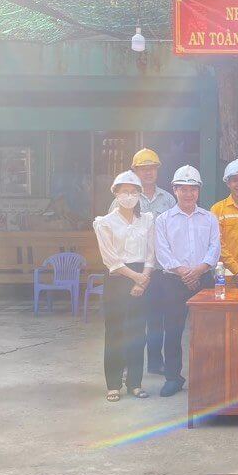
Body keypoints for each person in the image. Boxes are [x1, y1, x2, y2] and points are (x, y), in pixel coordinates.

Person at [152, 165, 220, 397]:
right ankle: (173, 378)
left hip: (204, 279)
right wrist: (184, 272)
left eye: (193, 189)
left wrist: (198, 271)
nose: (189, 193)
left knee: (208, 331)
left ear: (199, 191)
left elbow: (214, 248)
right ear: (175, 189)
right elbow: (162, 252)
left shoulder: (209, 218)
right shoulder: (163, 220)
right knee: (172, 331)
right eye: (183, 189)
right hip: (173, 282)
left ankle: (207, 375)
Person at [108, 148, 177, 376]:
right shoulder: (121, 199)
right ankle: (128, 363)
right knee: (130, 320)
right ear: (134, 171)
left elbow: (173, 234)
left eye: (152, 168)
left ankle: (155, 362)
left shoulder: (168, 199)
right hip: (131, 270)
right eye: (143, 169)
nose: (148, 172)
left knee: (157, 319)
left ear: (157, 170)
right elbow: (112, 235)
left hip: (158, 269)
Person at [93, 171, 155, 402]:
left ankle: (135, 383)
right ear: (116, 194)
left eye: (133, 191)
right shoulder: (105, 223)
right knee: (115, 332)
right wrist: (136, 278)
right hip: (117, 279)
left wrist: (144, 278)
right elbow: (110, 259)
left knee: (137, 333)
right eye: (124, 191)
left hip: (142, 277)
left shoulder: (147, 220)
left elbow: (151, 253)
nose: (129, 196)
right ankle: (113, 384)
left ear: (139, 194)